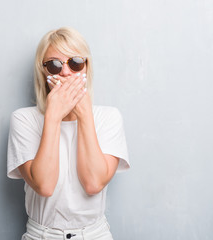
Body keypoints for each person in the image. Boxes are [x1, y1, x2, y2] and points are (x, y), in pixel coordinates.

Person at [7, 27, 130, 240]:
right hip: (42, 235)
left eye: (75, 63)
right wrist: (53, 117)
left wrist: (84, 116)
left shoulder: (108, 118)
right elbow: (44, 186)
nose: (65, 72)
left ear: (86, 67)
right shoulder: (23, 120)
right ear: (43, 70)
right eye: (54, 65)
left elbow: (93, 184)